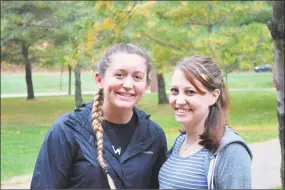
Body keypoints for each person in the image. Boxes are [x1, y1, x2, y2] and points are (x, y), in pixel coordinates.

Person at [31, 43, 167, 189]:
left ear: (146, 85)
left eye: (137, 77)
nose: (128, 84)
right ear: (99, 79)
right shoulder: (67, 131)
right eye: (119, 75)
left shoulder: (153, 136)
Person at [158, 55, 252, 189]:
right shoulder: (180, 141)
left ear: (213, 96)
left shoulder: (231, 151)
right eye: (174, 91)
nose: (179, 100)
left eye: (190, 92)